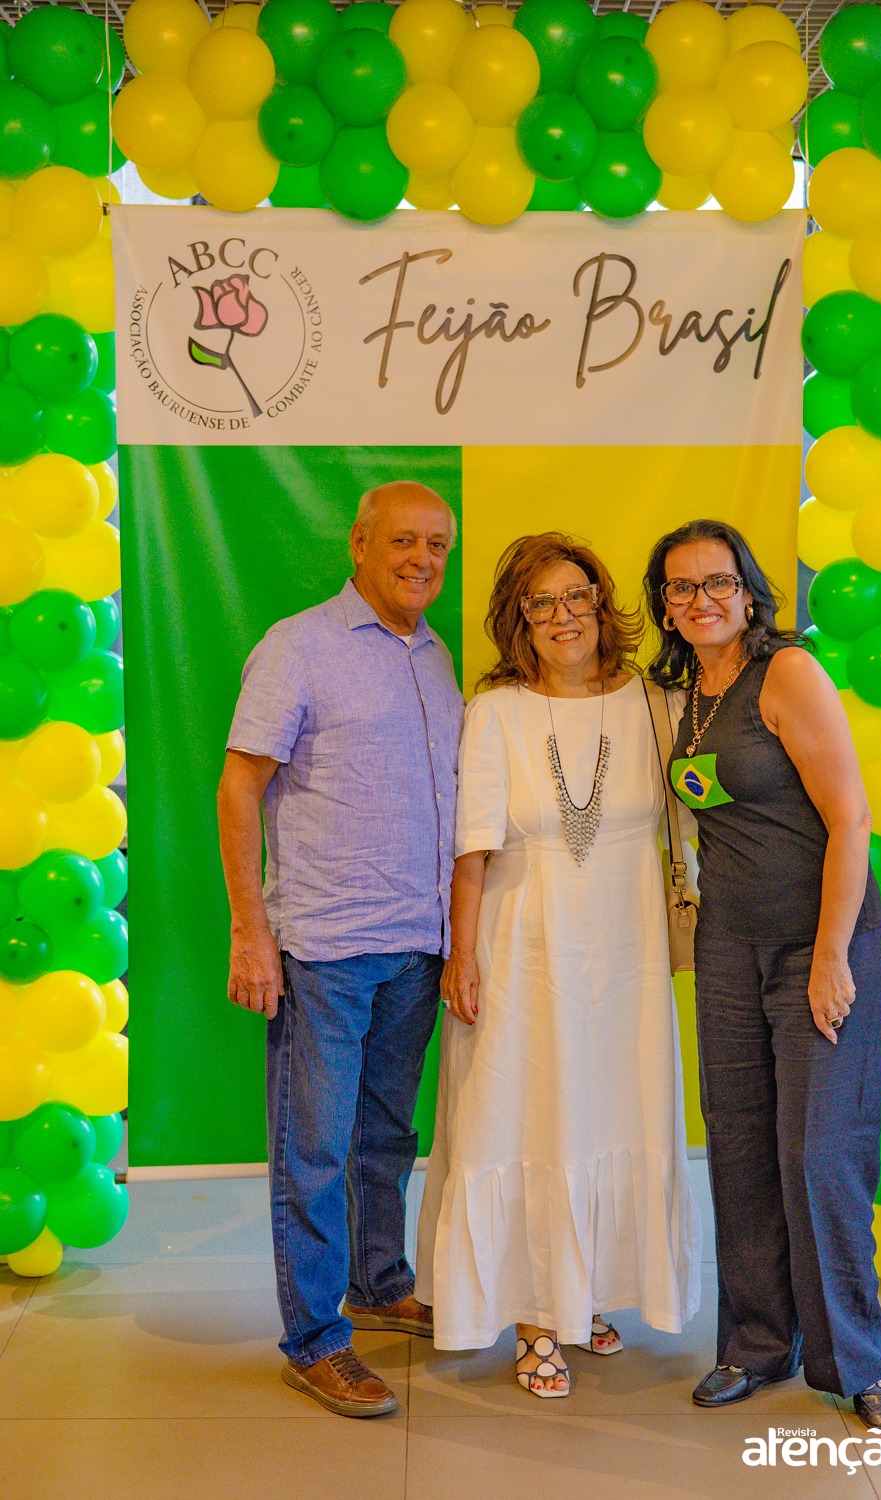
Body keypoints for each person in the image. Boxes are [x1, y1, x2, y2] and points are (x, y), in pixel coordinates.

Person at [415, 532, 701, 1399]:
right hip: (521, 949)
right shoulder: (495, 710)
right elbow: (471, 847)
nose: (562, 615)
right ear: (519, 620)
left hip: (626, 954)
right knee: (525, 1118)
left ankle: (587, 1294)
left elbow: (693, 821)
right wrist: (462, 956)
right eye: (540, 603)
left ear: (602, 604)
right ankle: (537, 1318)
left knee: (613, 1115)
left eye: (576, 596)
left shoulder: (654, 702)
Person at [642, 518, 881, 1433]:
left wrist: (831, 955)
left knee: (817, 1153)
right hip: (727, 949)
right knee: (742, 1147)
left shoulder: (786, 673)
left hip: (816, 945)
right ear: (665, 607)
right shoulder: (683, 694)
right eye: (681, 587)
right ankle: (755, 1345)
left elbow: (851, 819)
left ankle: (860, 1361)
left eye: (717, 582)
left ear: (749, 592)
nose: (700, 600)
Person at [217, 481, 464, 1419]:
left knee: (386, 1138)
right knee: (313, 1151)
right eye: (404, 541)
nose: (422, 559)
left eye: (437, 545)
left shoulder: (435, 656)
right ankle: (316, 1341)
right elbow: (239, 788)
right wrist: (251, 930)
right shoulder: (298, 646)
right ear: (359, 544)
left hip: (417, 947)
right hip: (324, 947)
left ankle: (377, 1283)